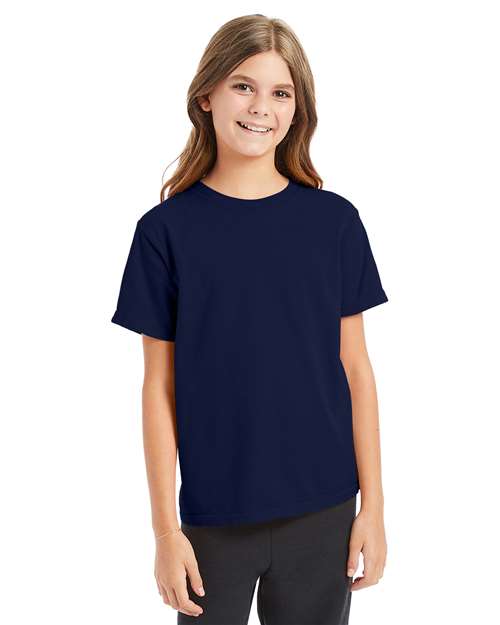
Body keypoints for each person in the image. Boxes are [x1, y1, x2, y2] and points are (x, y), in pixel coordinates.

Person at [111, 14, 389, 625]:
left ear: (297, 110)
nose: (261, 107)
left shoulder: (334, 224)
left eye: (280, 92)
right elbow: (158, 387)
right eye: (243, 86)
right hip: (212, 518)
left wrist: (373, 507)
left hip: (323, 510)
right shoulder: (164, 233)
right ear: (206, 96)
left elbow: (356, 371)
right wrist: (165, 532)